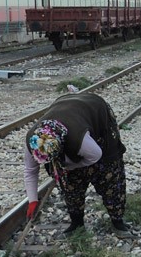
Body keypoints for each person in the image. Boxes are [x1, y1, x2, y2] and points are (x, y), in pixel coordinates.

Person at [23, 92, 129, 235]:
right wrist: (32, 200)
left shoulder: (79, 138)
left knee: (110, 176)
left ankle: (117, 221)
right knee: (69, 182)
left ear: (61, 147)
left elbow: (96, 155)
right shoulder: (33, 140)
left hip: (96, 116)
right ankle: (77, 223)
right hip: (67, 110)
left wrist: (70, 166)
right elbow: (30, 171)